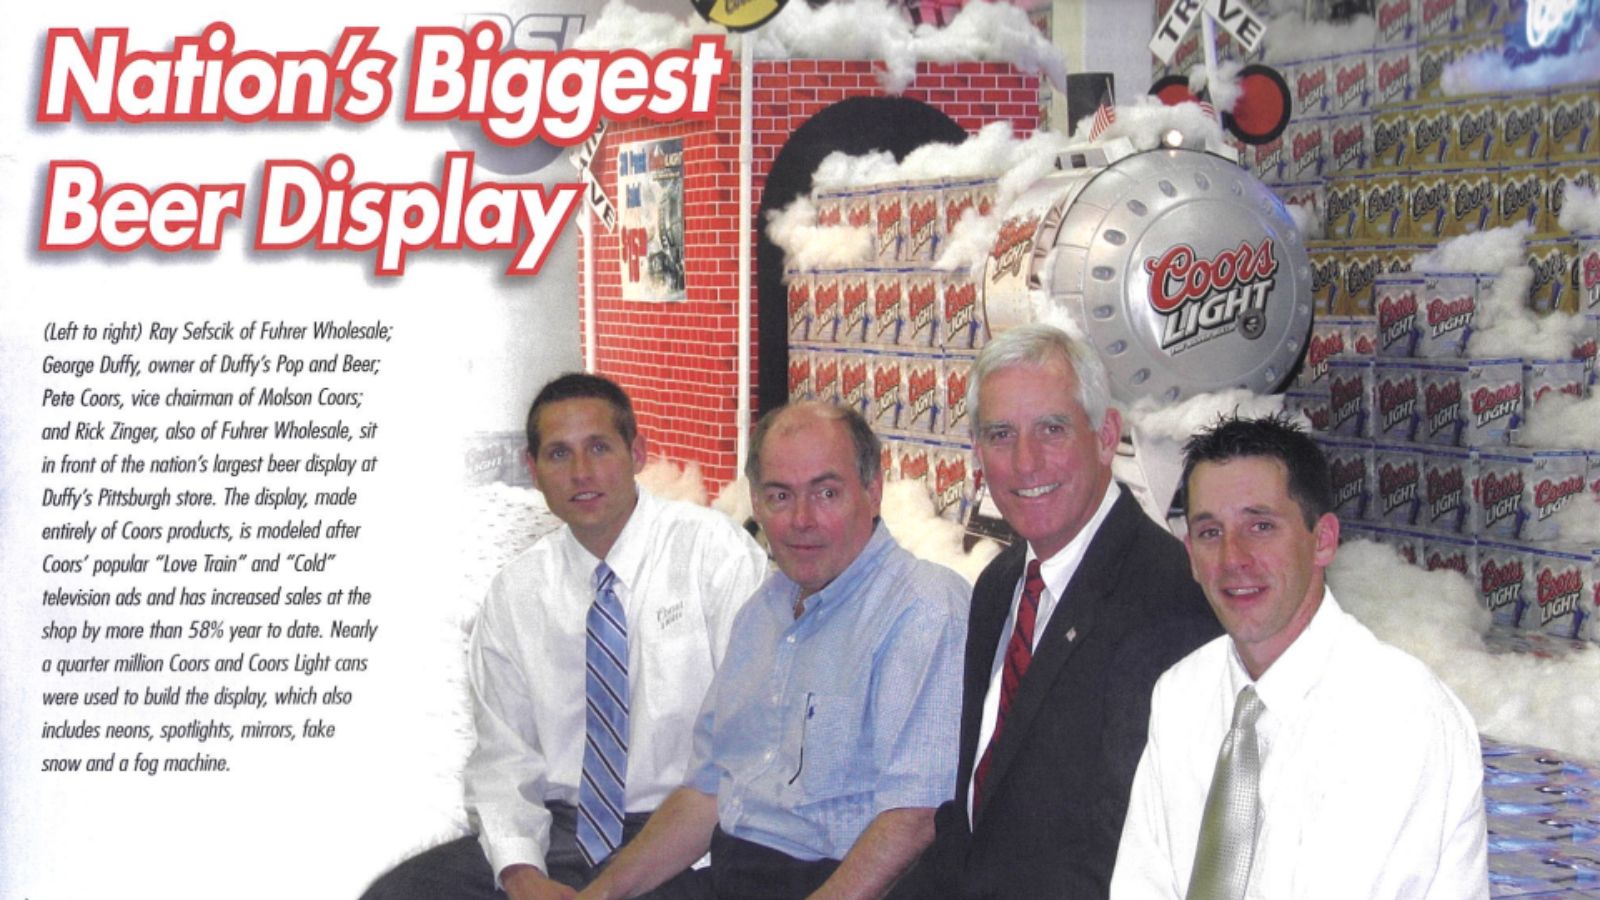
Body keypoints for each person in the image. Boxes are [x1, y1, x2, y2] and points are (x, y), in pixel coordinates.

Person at [362, 373, 768, 900]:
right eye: (558, 454)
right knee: (399, 894)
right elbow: (503, 762)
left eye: (599, 447)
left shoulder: (714, 555)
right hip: (562, 836)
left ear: (637, 452)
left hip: (685, 835)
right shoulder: (516, 592)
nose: (581, 473)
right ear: (533, 470)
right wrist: (521, 875)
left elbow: (747, 743)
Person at [576, 401, 970, 900]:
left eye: (826, 493)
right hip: (732, 872)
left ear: (873, 493)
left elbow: (915, 819)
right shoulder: (763, 611)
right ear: (757, 506)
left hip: (840, 881)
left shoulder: (925, 611)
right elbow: (707, 790)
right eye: (780, 496)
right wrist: (603, 894)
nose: (801, 519)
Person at [901, 323, 1221, 899]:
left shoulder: (1168, 601)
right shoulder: (1000, 585)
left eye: (1052, 429)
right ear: (976, 452)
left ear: (1106, 436)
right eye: (1000, 434)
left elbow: (1133, 859)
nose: (1025, 462)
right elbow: (973, 820)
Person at [1111, 413, 1488, 899]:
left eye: (1261, 526)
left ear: (1324, 540)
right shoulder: (1181, 694)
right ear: (1189, 555)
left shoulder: (1399, 714)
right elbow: (1141, 886)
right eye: (1210, 533)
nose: (1232, 558)